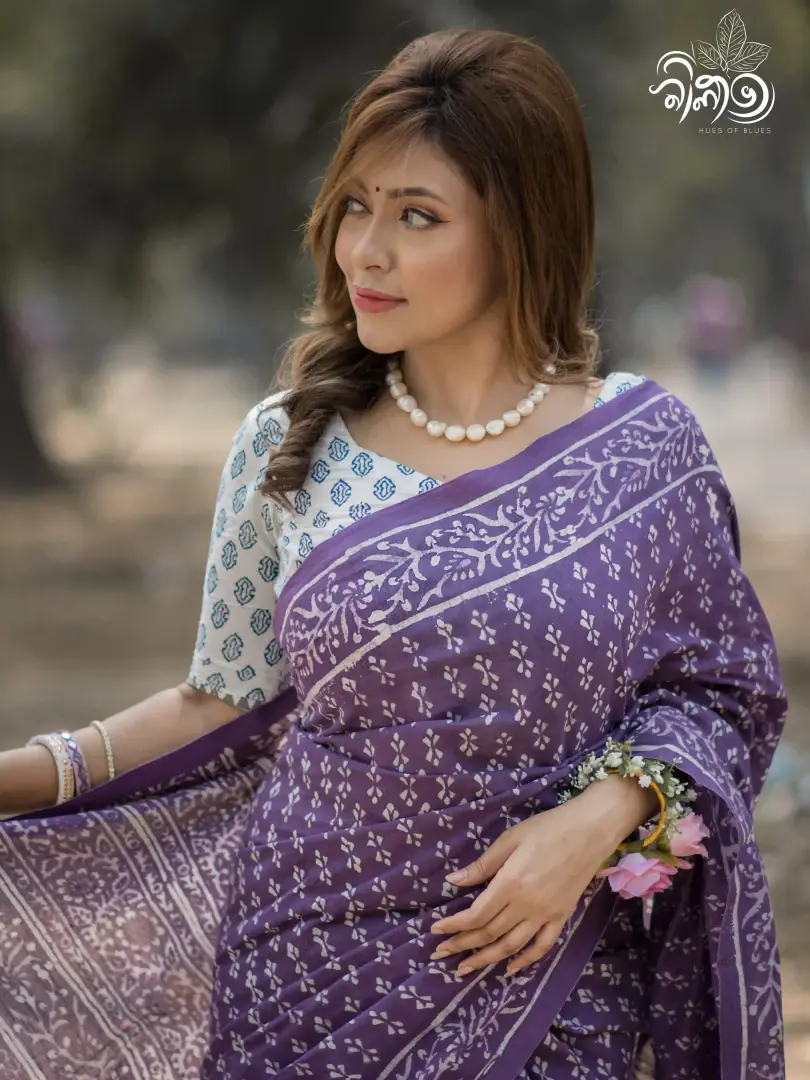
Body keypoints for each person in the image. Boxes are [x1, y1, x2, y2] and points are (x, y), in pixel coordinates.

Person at [0, 27, 788, 1080]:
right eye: (355, 206)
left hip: (556, 974)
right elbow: (218, 700)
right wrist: (23, 776)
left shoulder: (642, 451)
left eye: (417, 215)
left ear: (522, 228)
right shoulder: (290, 444)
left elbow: (723, 690)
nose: (365, 251)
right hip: (305, 971)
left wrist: (599, 820)